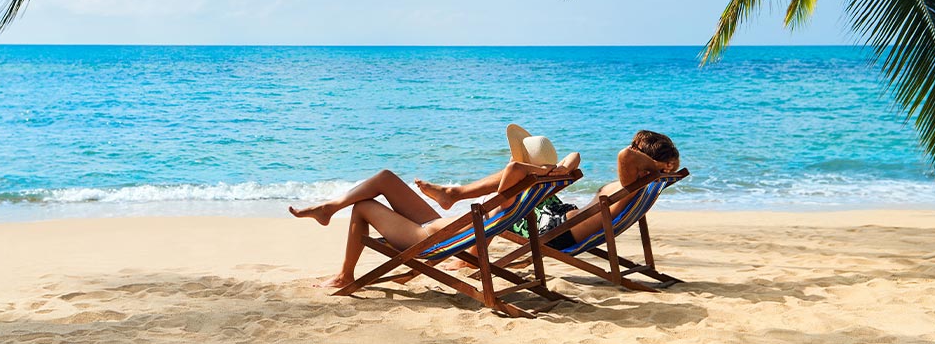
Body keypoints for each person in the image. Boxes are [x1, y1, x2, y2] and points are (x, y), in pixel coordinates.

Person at [288, 126, 580, 289]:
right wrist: (549, 171)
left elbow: (515, 167)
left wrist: (533, 171)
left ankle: (345, 275)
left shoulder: (512, 191)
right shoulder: (531, 190)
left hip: (425, 237)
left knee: (363, 206)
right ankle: (329, 207)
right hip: (441, 227)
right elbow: (573, 159)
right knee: (386, 178)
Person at [418, 129, 679, 252]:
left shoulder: (631, 184)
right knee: (530, 173)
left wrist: (654, 164)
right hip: (559, 216)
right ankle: (455, 194)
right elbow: (575, 155)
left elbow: (625, 155)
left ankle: (449, 216)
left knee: (509, 192)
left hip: (553, 231)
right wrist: (555, 169)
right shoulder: (636, 185)